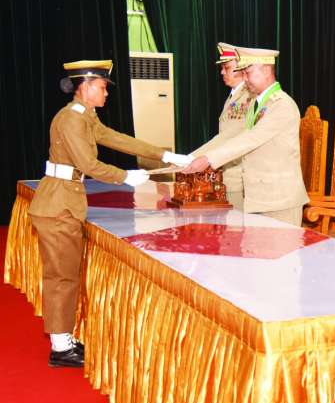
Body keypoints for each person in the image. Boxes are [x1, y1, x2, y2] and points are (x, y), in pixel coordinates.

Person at [28, 60, 193, 368]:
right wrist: (125, 177)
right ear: (86, 86)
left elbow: (116, 138)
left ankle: (63, 338)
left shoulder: (84, 115)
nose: (106, 93)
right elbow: (88, 165)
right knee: (62, 276)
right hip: (58, 205)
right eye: (103, 87)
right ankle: (61, 347)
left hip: (62, 201)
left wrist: (165, 155)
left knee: (65, 273)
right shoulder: (72, 119)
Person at [182, 47, 308, 225]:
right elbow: (236, 137)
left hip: (280, 200)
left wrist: (209, 159)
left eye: (248, 73)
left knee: (282, 244)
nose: (245, 79)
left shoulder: (281, 105)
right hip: (259, 196)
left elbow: (251, 139)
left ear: (266, 70)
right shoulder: (258, 103)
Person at [190, 42, 254, 209]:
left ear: (242, 69)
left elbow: (231, 135)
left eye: (227, 68)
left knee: (237, 221)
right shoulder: (235, 95)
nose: (222, 72)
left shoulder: (248, 97)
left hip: (237, 175)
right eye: (222, 68)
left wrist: (193, 158)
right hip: (227, 171)